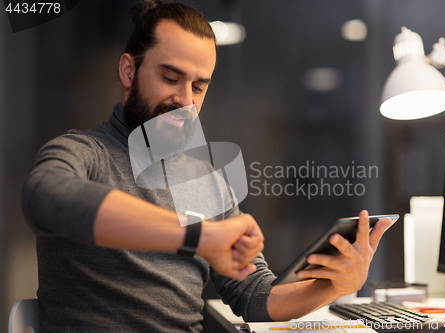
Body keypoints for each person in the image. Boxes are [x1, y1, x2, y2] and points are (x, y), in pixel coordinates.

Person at [21, 1, 393, 332]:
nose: (185, 101)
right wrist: (196, 235)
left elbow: (254, 295)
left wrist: (333, 286)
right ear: (128, 72)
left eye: (198, 86)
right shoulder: (83, 153)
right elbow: (47, 197)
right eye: (170, 78)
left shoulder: (206, 181)